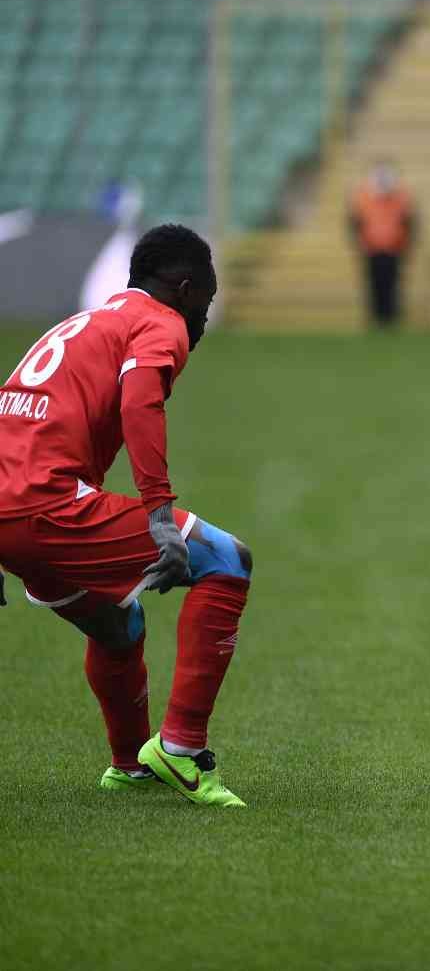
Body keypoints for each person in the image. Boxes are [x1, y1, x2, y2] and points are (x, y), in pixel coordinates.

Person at [0, 225, 252, 805]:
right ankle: (181, 750)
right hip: (51, 505)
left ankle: (130, 766)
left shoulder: (81, 323)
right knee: (227, 561)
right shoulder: (159, 323)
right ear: (185, 289)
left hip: (11, 512)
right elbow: (141, 398)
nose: (204, 320)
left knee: (119, 624)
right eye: (207, 303)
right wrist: (160, 514)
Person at [348, 158, 416, 328]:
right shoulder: (363, 196)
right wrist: (360, 243)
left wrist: (405, 244)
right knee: (374, 284)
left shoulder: (401, 196)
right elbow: (355, 222)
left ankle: (391, 319)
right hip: (372, 248)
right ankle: (376, 318)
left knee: (392, 284)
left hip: (394, 248)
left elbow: (409, 222)